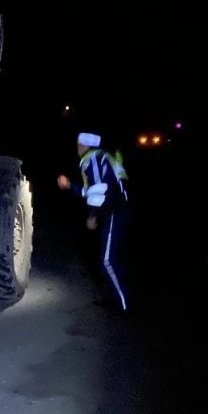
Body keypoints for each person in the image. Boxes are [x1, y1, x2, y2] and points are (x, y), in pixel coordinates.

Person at [57, 131, 131, 311]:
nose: (77, 149)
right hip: (115, 210)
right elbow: (89, 191)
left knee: (108, 261)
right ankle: (109, 299)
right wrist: (70, 186)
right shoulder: (100, 157)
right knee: (106, 258)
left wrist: (92, 216)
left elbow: (100, 190)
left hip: (114, 211)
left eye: (79, 145)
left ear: (86, 146)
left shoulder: (93, 160)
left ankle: (125, 305)